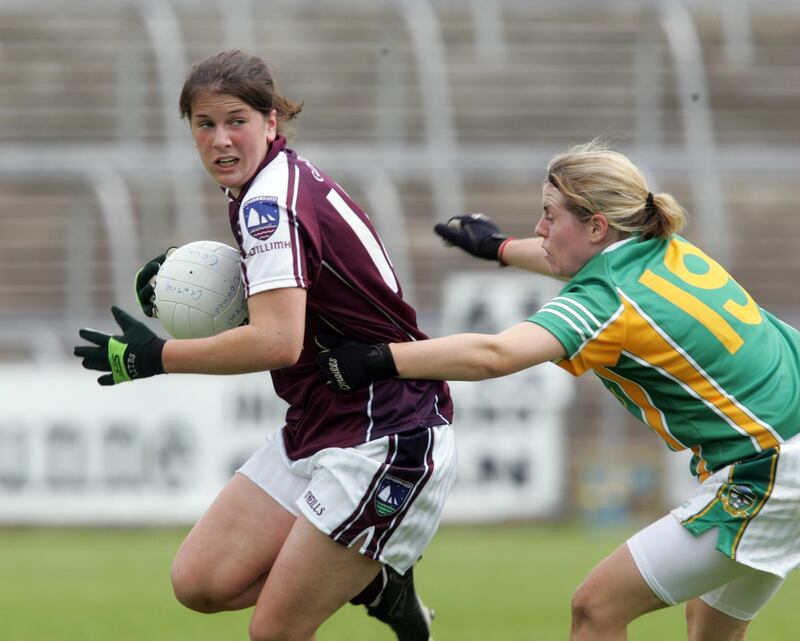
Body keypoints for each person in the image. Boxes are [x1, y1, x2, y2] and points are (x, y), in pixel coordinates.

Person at [315, 140, 800, 641]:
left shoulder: (607, 299)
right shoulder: (663, 248)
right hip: (787, 450)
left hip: (774, 473)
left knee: (595, 608)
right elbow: (563, 259)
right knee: (710, 628)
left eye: (549, 215)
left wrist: (378, 359)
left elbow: (496, 355)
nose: (540, 229)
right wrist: (497, 246)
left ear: (596, 226)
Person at [73, 49, 456, 641]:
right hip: (323, 415)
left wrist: (154, 357)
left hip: (384, 429)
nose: (220, 139)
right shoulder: (273, 183)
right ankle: (376, 581)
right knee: (201, 581)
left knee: (273, 632)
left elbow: (278, 341)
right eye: (205, 124)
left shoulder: (268, 203)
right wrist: (188, 276)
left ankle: (367, 570)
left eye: (237, 121)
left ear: (271, 120)